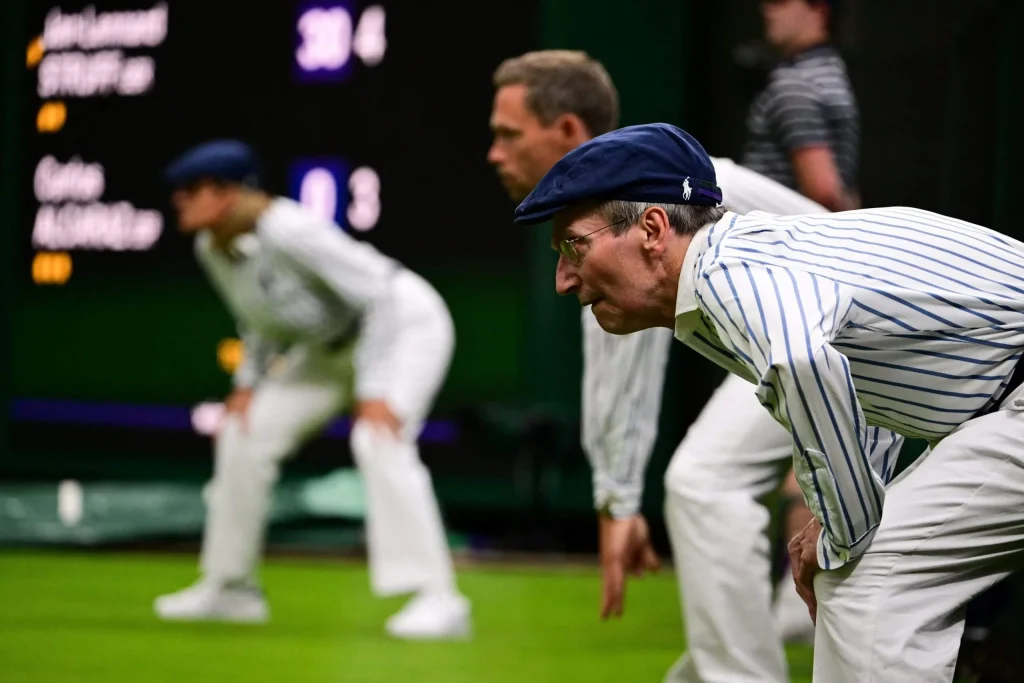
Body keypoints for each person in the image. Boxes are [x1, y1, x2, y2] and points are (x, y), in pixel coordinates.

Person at [515, 121, 1024, 683]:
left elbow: (804, 364)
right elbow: (864, 381)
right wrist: (843, 528)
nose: (563, 279)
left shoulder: (726, 278)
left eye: (573, 246)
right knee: (858, 566)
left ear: (653, 229)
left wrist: (841, 536)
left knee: (868, 575)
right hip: (1002, 405)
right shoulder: (742, 255)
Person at [488, 50, 866, 682]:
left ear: (567, 133)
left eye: (508, 134)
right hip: (814, 327)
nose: (495, 153)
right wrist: (618, 498)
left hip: (843, 329)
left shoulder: (629, 203)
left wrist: (617, 502)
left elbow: (624, 361)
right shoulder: (611, 200)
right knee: (705, 482)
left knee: (704, 481)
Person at [152, 140, 471, 640]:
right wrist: (247, 385)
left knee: (378, 438)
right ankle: (231, 590)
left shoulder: (290, 229)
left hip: (402, 323)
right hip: (326, 350)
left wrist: (376, 390)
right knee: (243, 431)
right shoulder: (209, 248)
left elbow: (379, 295)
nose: (179, 200)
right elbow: (257, 321)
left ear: (228, 193)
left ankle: (441, 600)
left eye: (191, 189)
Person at [743, 0, 858, 212]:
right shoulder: (831, 71)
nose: (766, 8)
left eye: (781, 2)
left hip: (778, 237)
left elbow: (824, 191)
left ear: (819, 9)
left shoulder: (797, 83)